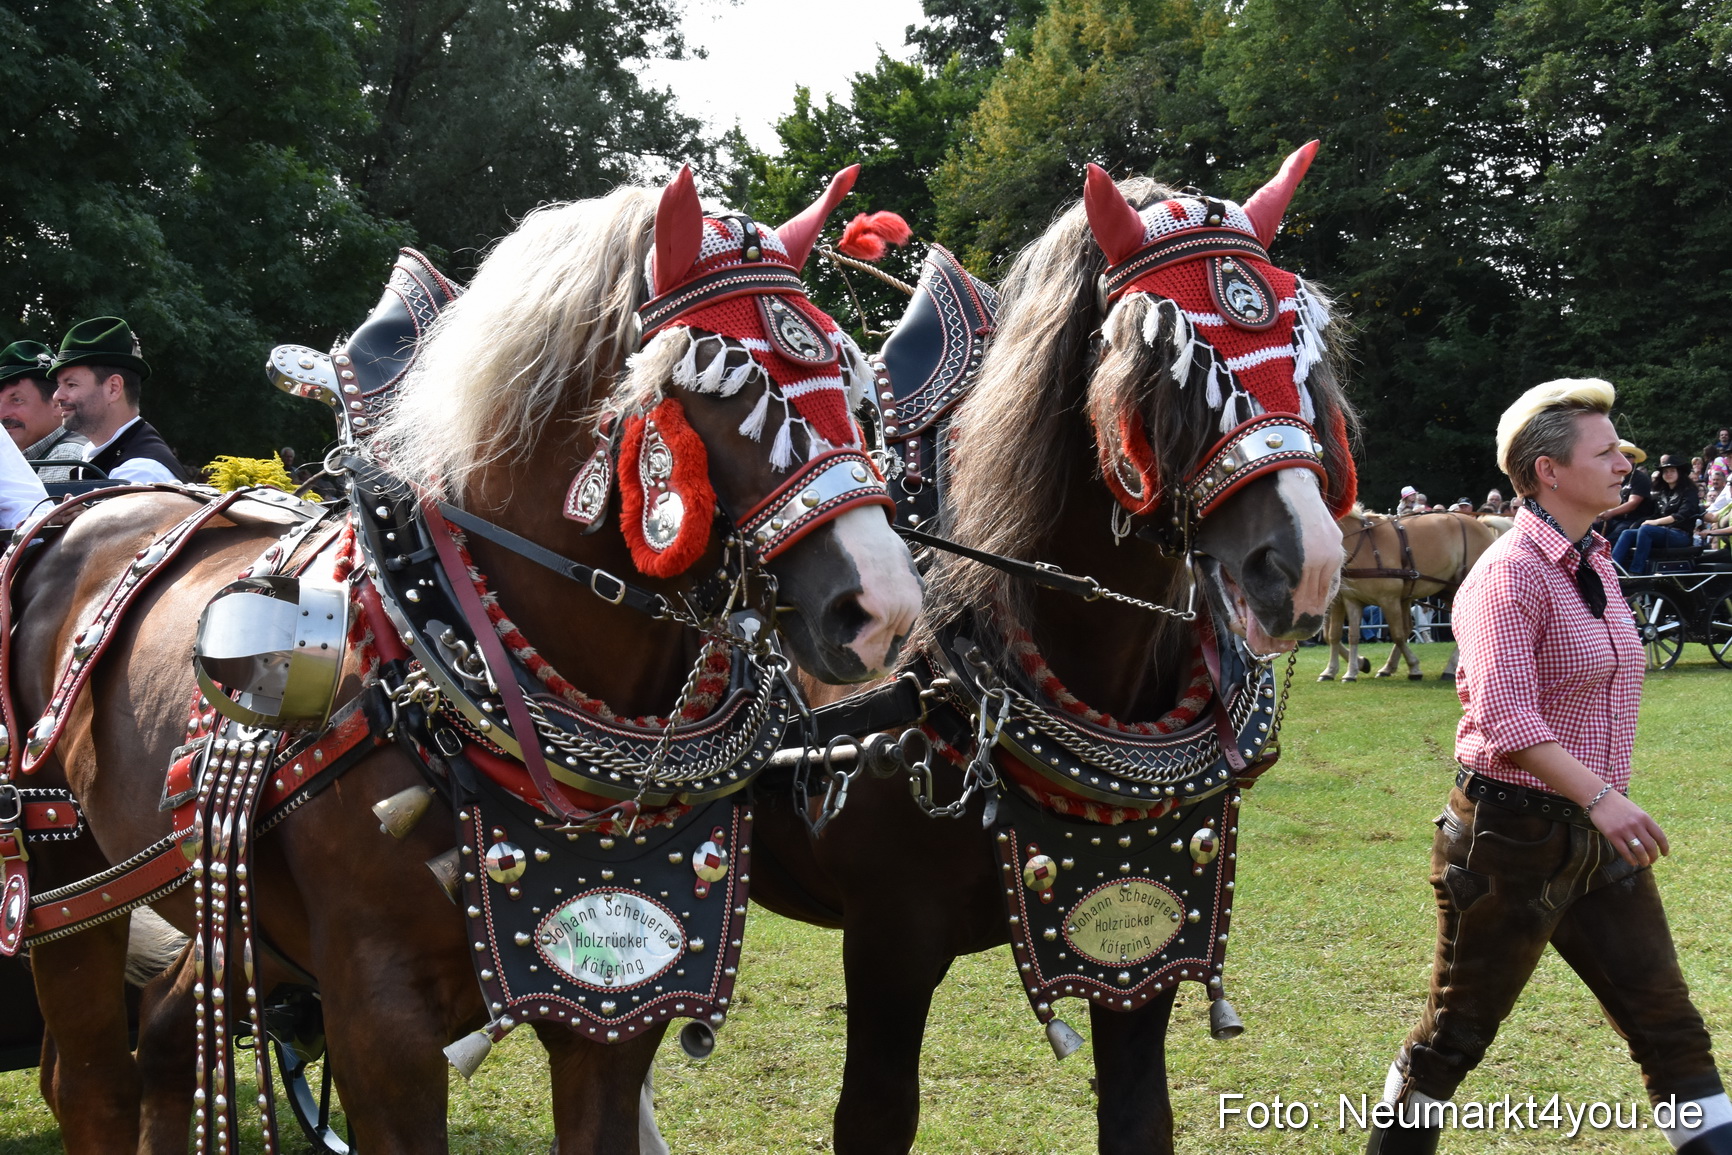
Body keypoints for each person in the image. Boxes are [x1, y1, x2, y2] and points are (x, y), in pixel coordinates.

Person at [1365, 378, 1732, 1155]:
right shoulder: (1508, 574)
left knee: (1671, 1029)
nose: (1623, 461)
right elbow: (1504, 714)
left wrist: (1601, 807)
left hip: (1597, 841)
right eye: (1603, 452)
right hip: (1508, 841)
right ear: (1547, 472)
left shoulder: (1594, 562)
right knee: (1452, 1040)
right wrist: (1602, 798)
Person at [48, 317, 190, 484]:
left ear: (113, 388)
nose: (57, 396)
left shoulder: (142, 473)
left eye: (71, 384)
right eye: (59, 385)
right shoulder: (93, 453)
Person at [0, 341, 89, 481]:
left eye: (17, 400)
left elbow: (44, 504)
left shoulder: (65, 455)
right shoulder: (22, 456)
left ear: (56, 403)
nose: (2, 414)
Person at [1612, 454, 1701, 575]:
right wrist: (1638, 524)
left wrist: (1656, 522)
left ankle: (1636, 571)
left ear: (1679, 472)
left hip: (1681, 535)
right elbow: (1655, 515)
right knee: (1627, 533)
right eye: (1665, 471)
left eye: (1672, 471)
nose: (1668, 474)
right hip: (1662, 532)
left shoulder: (1689, 492)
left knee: (1647, 530)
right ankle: (1612, 569)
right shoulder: (1663, 493)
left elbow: (1682, 514)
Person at [1599, 438, 1652, 542]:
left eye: (1625, 456)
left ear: (1632, 459)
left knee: (1610, 540)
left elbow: (1632, 504)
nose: (1619, 460)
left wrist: (1610, 513)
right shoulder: (1612, 477)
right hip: (1613, 519)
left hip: (1632, 521)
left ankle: (1610, 558)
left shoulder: (1640, 478)